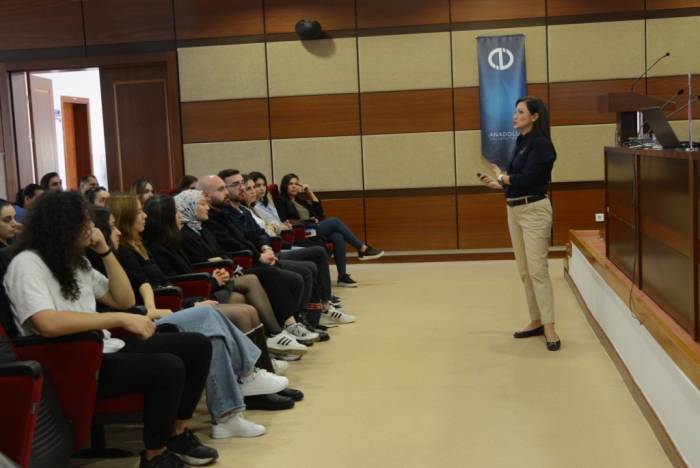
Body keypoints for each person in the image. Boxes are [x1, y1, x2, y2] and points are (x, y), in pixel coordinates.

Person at [3, 190, 218, 468]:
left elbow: (124, 299)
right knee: (168, 366)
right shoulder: (27, 264)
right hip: (69, 361)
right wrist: (117, 320)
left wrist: (105, 251)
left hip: (101, 348)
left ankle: (177, 434)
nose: (92, 229)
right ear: (62, 225)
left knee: (196, 345)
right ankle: (154, 455)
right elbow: (47, 323)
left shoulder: (76, 259)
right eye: (85, 223)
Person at [144, 193, 308, 358]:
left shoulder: (175, 238)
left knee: (253, 289)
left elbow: (207, 261)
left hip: (204, 285)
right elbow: (175, 282)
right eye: (176, 212)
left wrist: (217, 272)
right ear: (165, 218)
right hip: (193, 296)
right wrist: (212, 279)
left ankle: (269, 347)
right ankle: (267, 348)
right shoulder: (162, 245)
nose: (180, 215)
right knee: (246, 305)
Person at [478, 96, 561, 351]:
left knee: (538, 271)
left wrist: (504, 177)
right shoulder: (521, 141)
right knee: (525, 271)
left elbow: (527, 178)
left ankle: (550, 328)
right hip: (514, 210)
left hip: (534, 211)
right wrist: (498, 183)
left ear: (535, 117)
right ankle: (536, 320)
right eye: (515, 111)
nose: (515, 116)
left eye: (521, 112)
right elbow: (515, 180)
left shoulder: (542, 146)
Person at [276, 173, 384, 287]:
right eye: (290, 184)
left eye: (296, 184)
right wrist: (308, 222)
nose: (294, 186)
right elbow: (285, 220)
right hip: (302, 232)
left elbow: (320, 212)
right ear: (284, 186)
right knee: (335, 221)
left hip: (312, 228)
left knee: (337, 236)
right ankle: (362, 248)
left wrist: (309, 192)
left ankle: (342, 276)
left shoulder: (300, 201)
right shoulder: (280, 200)